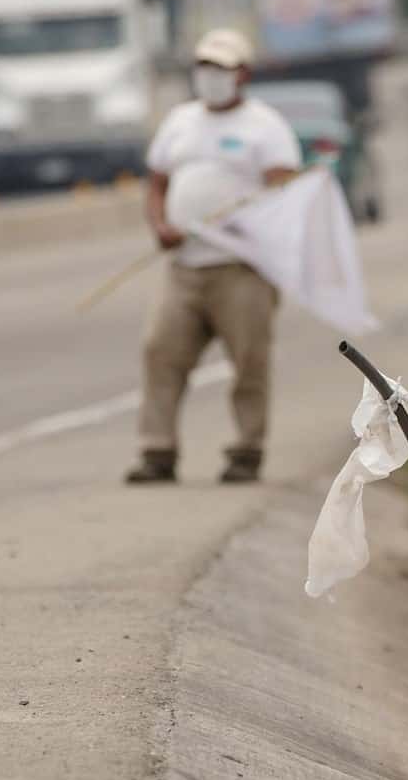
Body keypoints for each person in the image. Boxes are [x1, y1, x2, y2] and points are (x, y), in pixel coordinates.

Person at [126, 29, 302, 485]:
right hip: (185, 267)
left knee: (248, 362)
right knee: (160, 352)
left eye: (221, 68)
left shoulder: (264, 126)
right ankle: (157, 451)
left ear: (242, 74)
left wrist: (248, 224)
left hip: (241, 270)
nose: (211, 77)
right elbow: (158, 182)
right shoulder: (180, 121)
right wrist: (160, 225)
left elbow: (285, 190)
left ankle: (247, 450)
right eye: (204, 67)